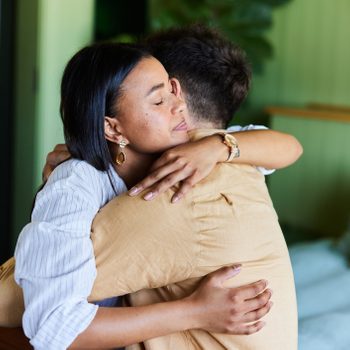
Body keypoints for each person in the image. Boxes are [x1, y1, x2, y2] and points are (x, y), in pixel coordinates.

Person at [7, 42, 275, 350]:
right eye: (160, 100)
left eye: (174, 92)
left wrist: (219, 147)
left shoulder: (185, 147)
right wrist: (197, 311)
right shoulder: (73, 187)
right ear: (113, 129)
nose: (179, 106)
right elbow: (55, 329)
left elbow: (284, 147)